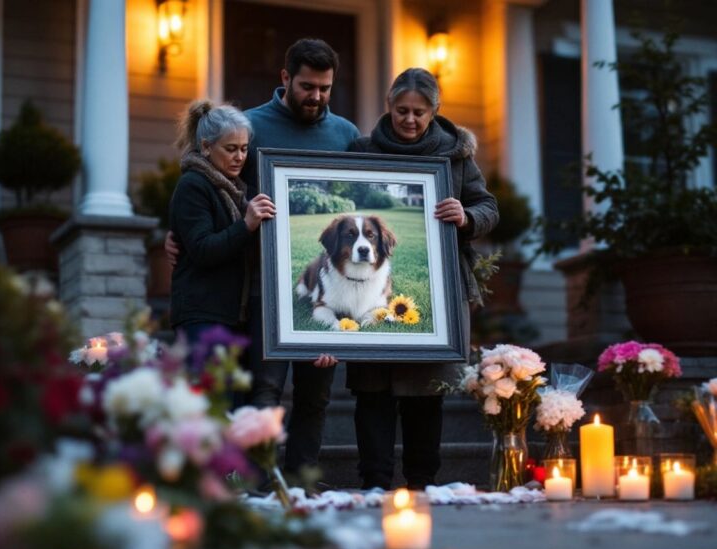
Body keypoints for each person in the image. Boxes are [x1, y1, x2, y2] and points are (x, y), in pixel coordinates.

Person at [167, 38, 360, 477]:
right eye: (308, 86)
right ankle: (257, 483)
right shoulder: (248, 128)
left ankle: (301, 483)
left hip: (326, 289)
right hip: (260, 289)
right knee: (263, 392)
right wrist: (177, 230)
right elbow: (209, 183)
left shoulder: (346, 135)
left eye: (325, 88)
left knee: (316, 395)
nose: (317, 96)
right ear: (286, 78)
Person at [346, 68, 499, 490]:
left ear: (435, 111)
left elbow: (488, 207)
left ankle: (420, 480)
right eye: (401, 111)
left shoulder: (457, 157)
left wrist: (466, 217)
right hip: (367, 294)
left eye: (419, 112)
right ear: (387, 106)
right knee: (371, 390)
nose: (409, 120)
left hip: (441, 289)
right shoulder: (361, 150)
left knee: (425, 392)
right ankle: (374, 481)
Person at [168, 100, 275, 350]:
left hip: (227, 316)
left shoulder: (232, 188)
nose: (240, 157)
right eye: (231, 149)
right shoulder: (193, 185)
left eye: (244, 149)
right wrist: (246, 224)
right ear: (206, 147)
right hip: (202, 315)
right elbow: (203, 249)